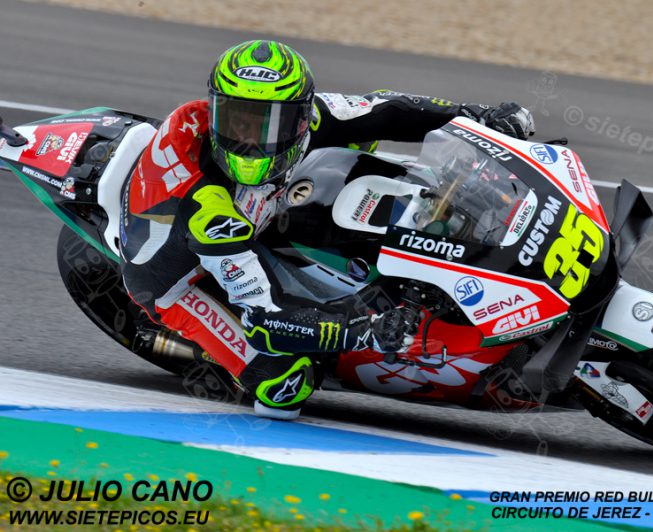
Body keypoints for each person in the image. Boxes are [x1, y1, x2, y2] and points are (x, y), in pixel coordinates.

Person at [119, 40, 535, 420]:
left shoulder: (312, 116)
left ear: (302, 115)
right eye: (239, 122)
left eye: (271, 124)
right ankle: (202, 347)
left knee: (361, 151)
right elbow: (266, 322)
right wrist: (364, 332)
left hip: (261, 208)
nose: (251, 140)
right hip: (179, 278)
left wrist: (478, 117)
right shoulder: (210, 215)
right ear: (216, 112)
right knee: (284, 388)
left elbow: (386, 108)